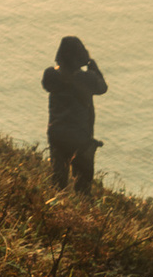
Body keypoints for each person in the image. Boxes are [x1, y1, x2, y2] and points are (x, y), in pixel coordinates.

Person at [42, 35, 107, 194]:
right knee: (83, 185)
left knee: (57, 182)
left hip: (56, 134)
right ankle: (80, 208)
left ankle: (55, 206)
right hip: (80, 137)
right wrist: (94, 68)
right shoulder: (87, 79)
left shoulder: (51, 76)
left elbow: (48, 83)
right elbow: (102, 88)